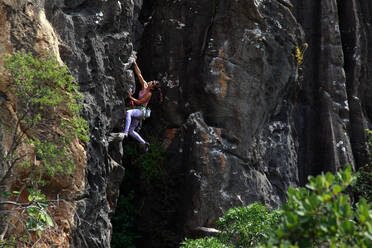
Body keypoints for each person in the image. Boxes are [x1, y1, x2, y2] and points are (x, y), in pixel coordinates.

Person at [122, 60, 162, 151]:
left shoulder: (149, 94)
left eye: (152, 82)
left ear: (152, 87)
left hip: (141, 111)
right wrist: (135, 63)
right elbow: (139, 74)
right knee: (132, 130)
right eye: (152, 81)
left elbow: (140, 102)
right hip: (138, 111)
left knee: (128, 112)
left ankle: (125, 132)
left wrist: (130, 97)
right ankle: (144, 143)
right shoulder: (144, 85)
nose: (151, 81)